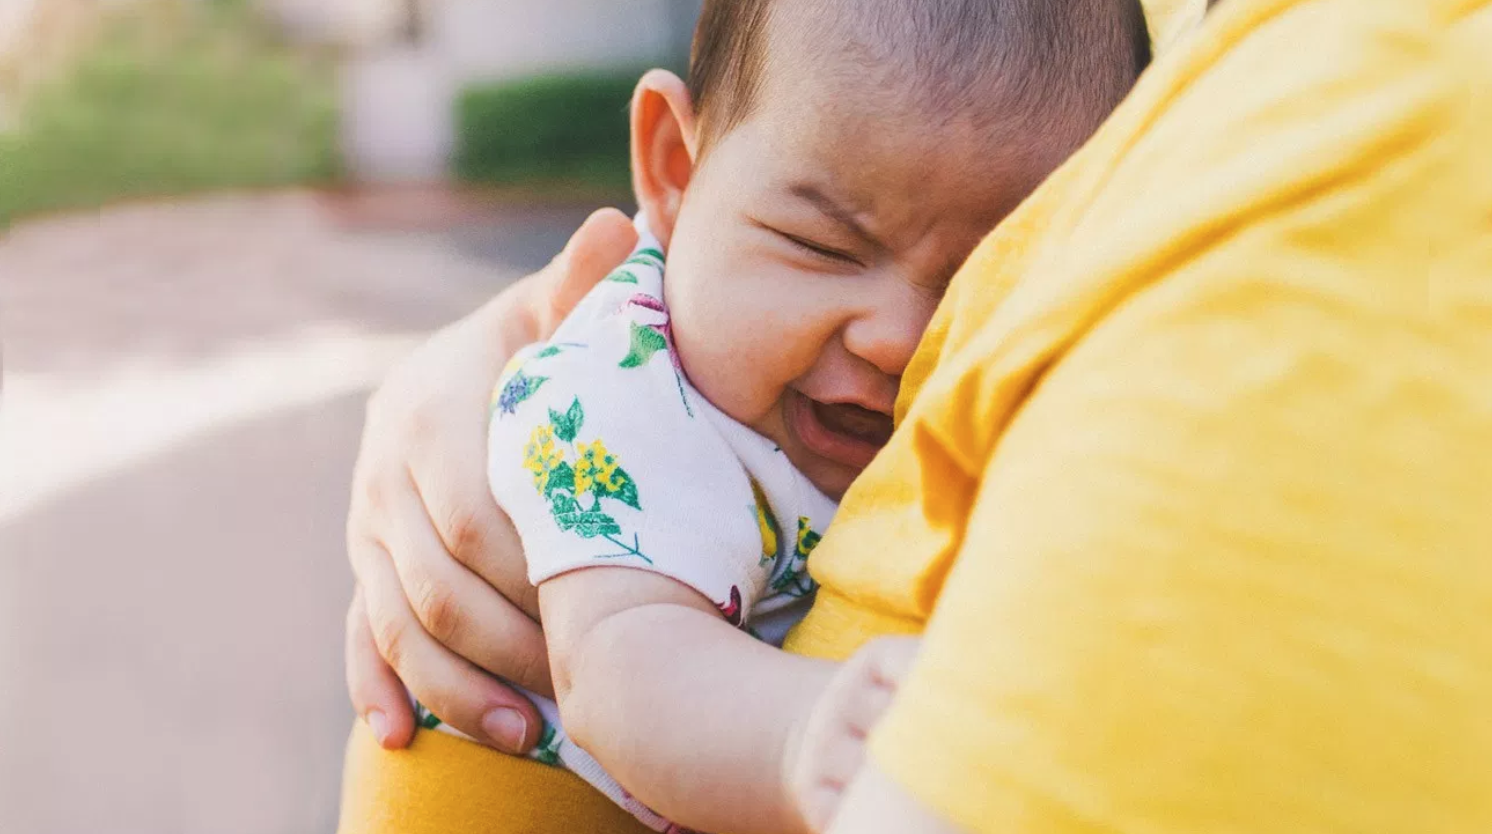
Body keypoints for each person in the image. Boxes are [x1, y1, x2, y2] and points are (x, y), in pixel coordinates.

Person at [343, 0, 1492, 832]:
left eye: (983, 272)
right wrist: (807, 738)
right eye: (820, 245)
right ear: (673, 171)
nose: (895, 336)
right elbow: (619, 668)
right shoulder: (623, 392)